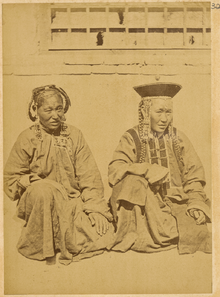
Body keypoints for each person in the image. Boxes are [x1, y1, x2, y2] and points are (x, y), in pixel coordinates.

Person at [4, 85, 113, 265]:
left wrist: (95, 209)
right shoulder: (27, 137)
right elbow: (11, 179)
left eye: (59, 109)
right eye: (48, 110)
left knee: (103, 236)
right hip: (39, 200)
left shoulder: (74, 135)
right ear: (36, 110)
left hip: (71, 200)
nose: (55, 115)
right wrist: (33, 182)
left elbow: (89, 175)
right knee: (43, 192)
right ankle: (43, 245)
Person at [108, 82, 212, 254]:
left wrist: (195, 203)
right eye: (159, 112)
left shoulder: (178, 139)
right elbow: (115, 170)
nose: (164, 119)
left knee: (195, 230)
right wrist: (146, 169)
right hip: (144, 207)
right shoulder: (131, 138)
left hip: (176, 203)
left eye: (168, 112)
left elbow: (193, 177)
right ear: (145, 112)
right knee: (134, 181)